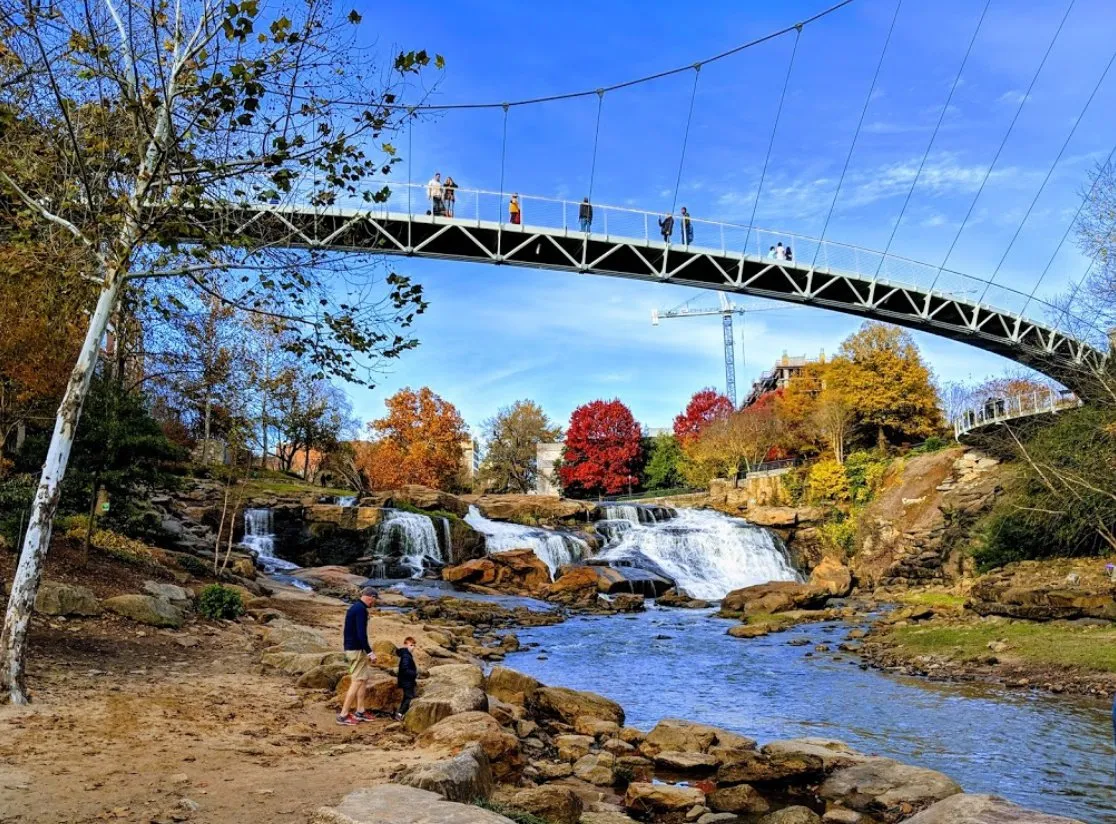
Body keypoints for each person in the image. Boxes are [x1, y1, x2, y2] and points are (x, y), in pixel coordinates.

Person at [337, 587, 378, 726]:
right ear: (370, 597)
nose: (374, 603)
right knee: (357, 681)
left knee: (363, 679)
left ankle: (360, 711)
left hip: (353, 648)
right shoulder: (361, 610)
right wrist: (370, 652)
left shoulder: (355, 607)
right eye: (374, 599)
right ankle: (343, 715)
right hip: (356, 649)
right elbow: (361, 634)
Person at [394, 636, 419, 721]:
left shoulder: (406, 655)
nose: (413, 647)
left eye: (414, 645)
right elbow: (404, 669)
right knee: (409, 697)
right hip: (406, 681)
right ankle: (400, 714)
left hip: (407, 681)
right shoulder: (405, 656)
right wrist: (414, 673)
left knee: (406, 697)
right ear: (405, 645)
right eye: (411, 645)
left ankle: (400, 713)